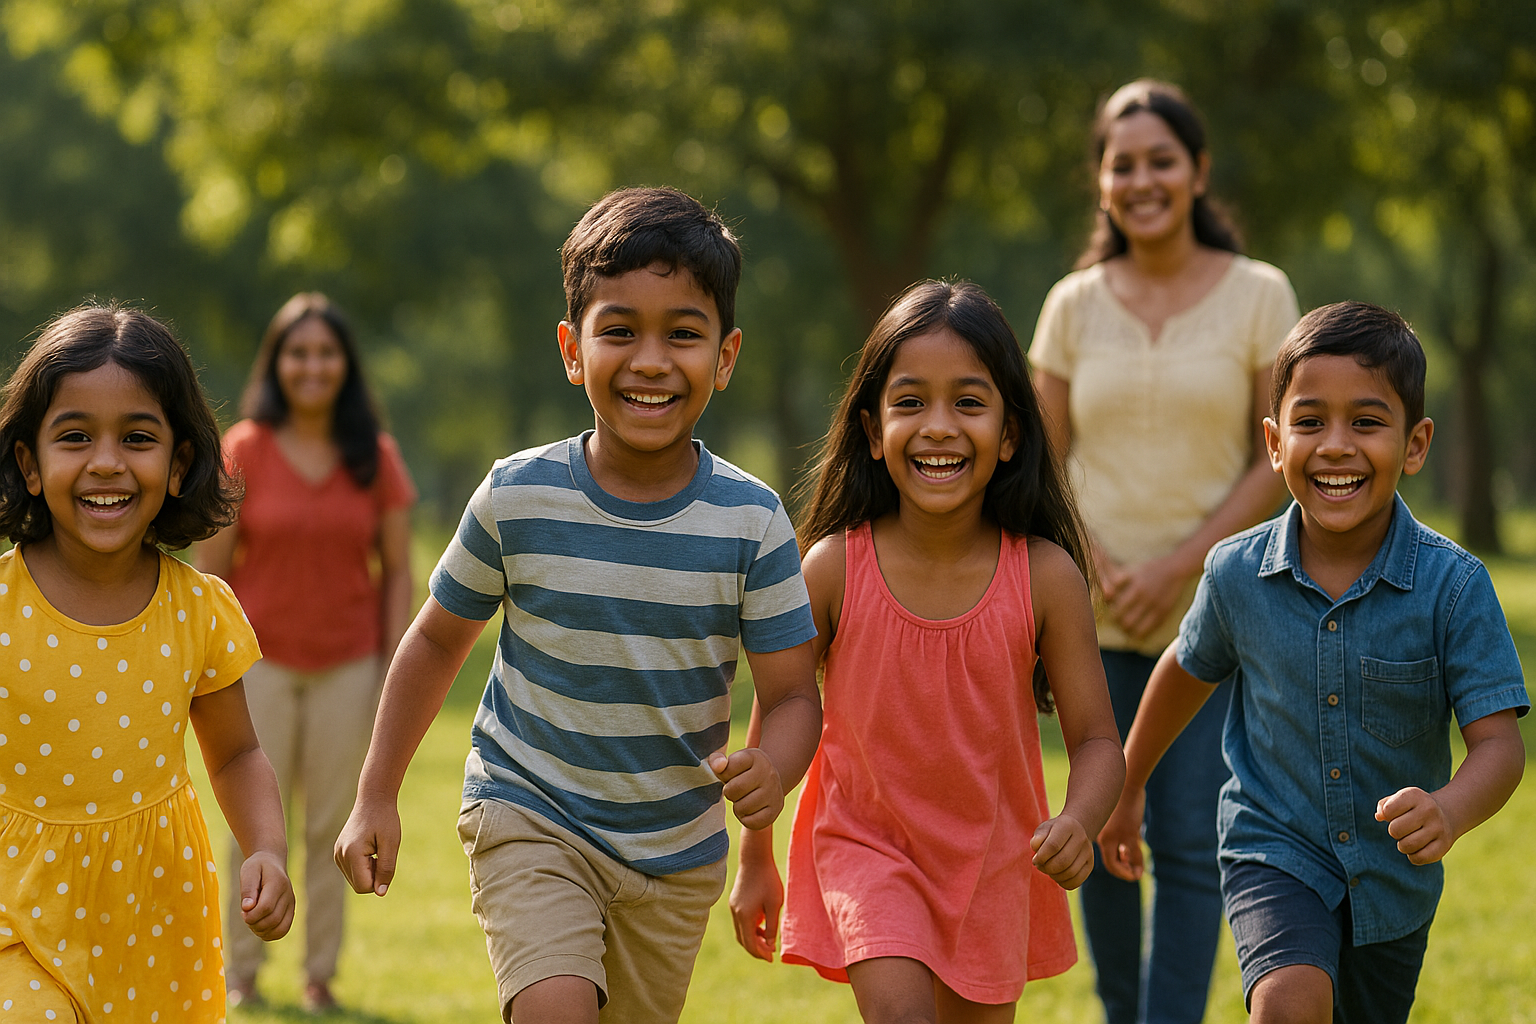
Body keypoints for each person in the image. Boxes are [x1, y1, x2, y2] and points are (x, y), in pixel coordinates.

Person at [334, 186, 822, 1024]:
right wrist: (376, 792)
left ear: (727, 355)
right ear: (572, 348)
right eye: (619, 330)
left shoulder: (754, 522)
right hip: (531, 808)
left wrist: (774, 770)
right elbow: (435, 642)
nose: (651, 360)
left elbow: (792, 697)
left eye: (684, 333)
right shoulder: (516, 496)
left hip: (673, 854)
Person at [1098, 301, 1528, 1024]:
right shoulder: (1235, 575)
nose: (1335, 445)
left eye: (1366, 422)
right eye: (1309, 422)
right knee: (1290, 1003)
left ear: (1415, 443)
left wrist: (1449, 811)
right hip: (1273, 847)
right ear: (1273, 441)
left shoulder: (1453, 588)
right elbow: (1185, 668)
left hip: (1392, 881)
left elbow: (1500, 746)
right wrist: (1129, 783)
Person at [729, 280, 1125, 1023]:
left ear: (1011, 434)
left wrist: (1080, 818)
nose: (938, 426)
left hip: (993, 866)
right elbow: (788, 704)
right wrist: (756, 856)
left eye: (969, 403)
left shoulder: (1045, 577)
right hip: (866, 847)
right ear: (874, 431)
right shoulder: (832, 569)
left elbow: (1098, 738)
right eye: (910, 402)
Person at [1028, 78, 1298, 1024]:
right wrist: (1099, 565)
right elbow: (1041, 456)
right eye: (1122, 162)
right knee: (1099, 828)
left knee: (1188, 835)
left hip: (1214, 612)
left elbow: (1277, 451)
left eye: (1161, 160)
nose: (1142, 179)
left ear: (1198, 172)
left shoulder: (1261, 294)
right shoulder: (1071, 305)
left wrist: (1181, 565)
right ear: (1101, 181)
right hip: (1089, 615)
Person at [0, 304, 294, 1020]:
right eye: (75, 437)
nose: (107, 462)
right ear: (30, 465)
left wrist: (266, 849)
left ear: (179, 463)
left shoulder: (197, 609)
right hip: (17, 900)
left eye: (137, 438)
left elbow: (235, 756)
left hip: (152, 910)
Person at [195, 291, 416, 1011]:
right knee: (252, 824)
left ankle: (319, 974)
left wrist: (392, 664)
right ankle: (241, 972)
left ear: (344, 365)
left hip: (348, 664)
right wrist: (203, 664)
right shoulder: (245, 450)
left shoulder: (374, 455)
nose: (312, 365)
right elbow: (212, 570)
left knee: (332, 824)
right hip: (255, 666)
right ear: (277, 363)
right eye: (299, 352)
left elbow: (398, 570)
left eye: (326, 352)